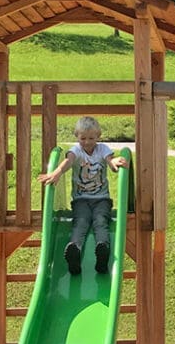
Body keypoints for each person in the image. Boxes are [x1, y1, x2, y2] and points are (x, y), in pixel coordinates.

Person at [38, 116, 128, 275]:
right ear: (76, 136)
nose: (87, 142)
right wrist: (57, 172)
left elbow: (110, 160)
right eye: (83, 138)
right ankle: (75, 250)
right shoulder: (76, 150)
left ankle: (103, 249)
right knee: (81, 221)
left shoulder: (102, 149)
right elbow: (68, 161)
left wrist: (115, 163)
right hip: (81, 200)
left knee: (101, 221)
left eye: (91, 138)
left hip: (102, 199)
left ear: (98, 135)